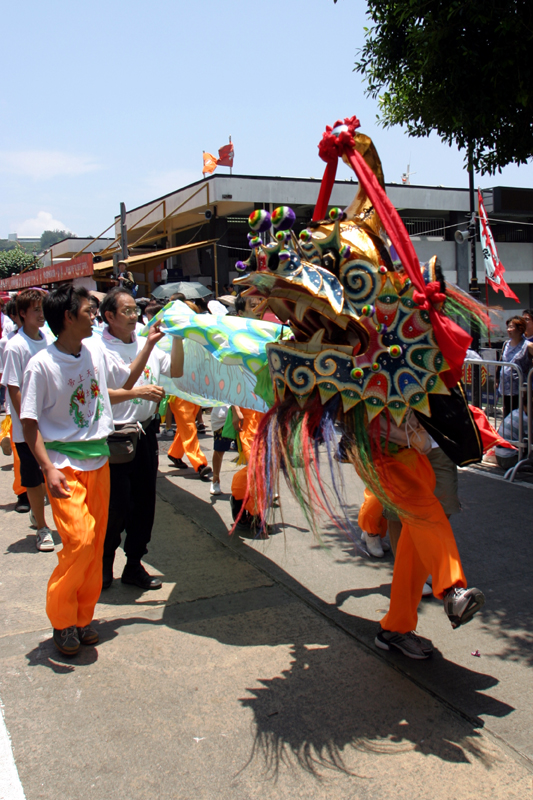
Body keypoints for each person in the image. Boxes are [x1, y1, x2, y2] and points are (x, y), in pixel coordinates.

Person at [20, 285, 164, 657]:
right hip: (64, 466)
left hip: (99, 461)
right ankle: (61, 619)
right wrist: (47, 467)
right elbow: (29, 423)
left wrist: (148, 346)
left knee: (95, 545)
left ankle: (82, 618)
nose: (94, 316)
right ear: (68, 317)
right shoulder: (41, 364)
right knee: (79, 542)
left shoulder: (93, 352)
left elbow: (121, 383)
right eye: (89, 311)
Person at [98, 287, 176, 591]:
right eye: (127, 311)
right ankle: (104, 564)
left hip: (145, 433)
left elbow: (176, 369)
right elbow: (104, 393)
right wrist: (138, 392)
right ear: (109, 316)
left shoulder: (147, 343)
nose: (134, 316)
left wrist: (181, 337)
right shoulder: (98, 348)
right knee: (116, 506)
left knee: (144, 504)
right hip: (115, 436)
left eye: (135, 310)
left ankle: (134, 565)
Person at [2, 290, 55, 550]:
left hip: (53, 425)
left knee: (51, 475)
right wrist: (28, 421)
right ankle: (42, 527)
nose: (41, 314)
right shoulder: (16, 346)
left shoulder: (50, 339)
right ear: (22, 314)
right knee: (34, 478)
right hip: (29, 429)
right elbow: (14, 387)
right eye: (36, 310)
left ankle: (40, 514)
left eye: (43, 308)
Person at [498, 316, 533, 418]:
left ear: (520, 329)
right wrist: (496, 380)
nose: (508, 330)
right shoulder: (506, 344)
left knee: (519, 418)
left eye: (511, 327)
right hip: (505, 388)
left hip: (520, 390)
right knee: (507, 416)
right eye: (508, 327)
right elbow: (501, 361)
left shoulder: (528, 346)